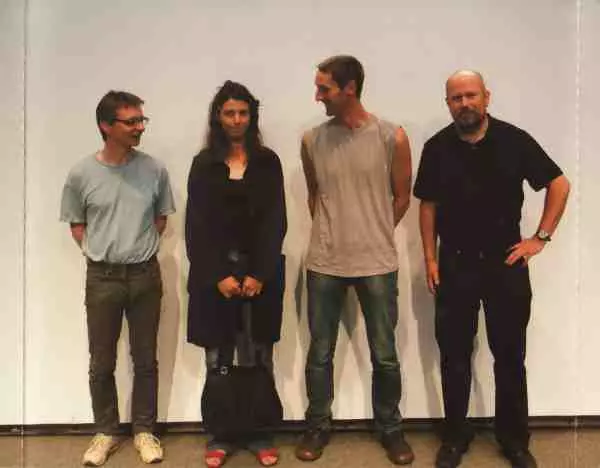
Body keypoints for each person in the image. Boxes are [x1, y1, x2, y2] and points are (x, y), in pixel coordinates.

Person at [413, 70, 570, 468]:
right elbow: (428, 205)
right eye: (456, 98)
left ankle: (514, 439)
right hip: (455, 264)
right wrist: (430, 258)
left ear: (486, 97)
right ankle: (455, 436)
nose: (464, 103)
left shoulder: (514, 141)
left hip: (506, 263)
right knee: (454, 357)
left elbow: (559, 183)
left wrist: (540, 238)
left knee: (510, 356)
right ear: (448, 104)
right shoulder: (437, 148)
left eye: (471, 95)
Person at [296, 55, 414, 465]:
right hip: (324, 263)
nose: (317, 96)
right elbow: (315, 195)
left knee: (385, 354)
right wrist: (333, 233)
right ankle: (317, 424)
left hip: (377, 263)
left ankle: (391, 428)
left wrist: (372, 231)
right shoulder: (311, 140)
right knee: (319, 354)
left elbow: (402, 197)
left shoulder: (391, 136)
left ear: (350, 88)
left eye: (324, 88)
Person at [60, 91, 176, 466]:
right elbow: (77, 225)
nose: (140, 127)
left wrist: (135, 248)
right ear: (106, 126)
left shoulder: (154, 170)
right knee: (101, 361)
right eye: (131, 121)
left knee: (145, 359)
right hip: (103, 278)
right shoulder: (81, 174)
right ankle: (106, 431)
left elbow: (160, 219)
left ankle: (144, 431)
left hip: (144, 274)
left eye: (142, 120)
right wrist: (102, 252)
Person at [185, 80, 287, 468]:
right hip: (215, 277)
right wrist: (218, 275)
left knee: (259, 357)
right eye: (229, 113)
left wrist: (259, 273)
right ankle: (221, 435)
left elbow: (276, 221)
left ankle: (260, 434)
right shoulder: (203, 164)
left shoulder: (268, 161)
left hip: (261, 274)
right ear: (218, 117)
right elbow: (197, 226)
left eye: (243, 113)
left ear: (252, 117)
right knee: (219, 360)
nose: (236, 119)